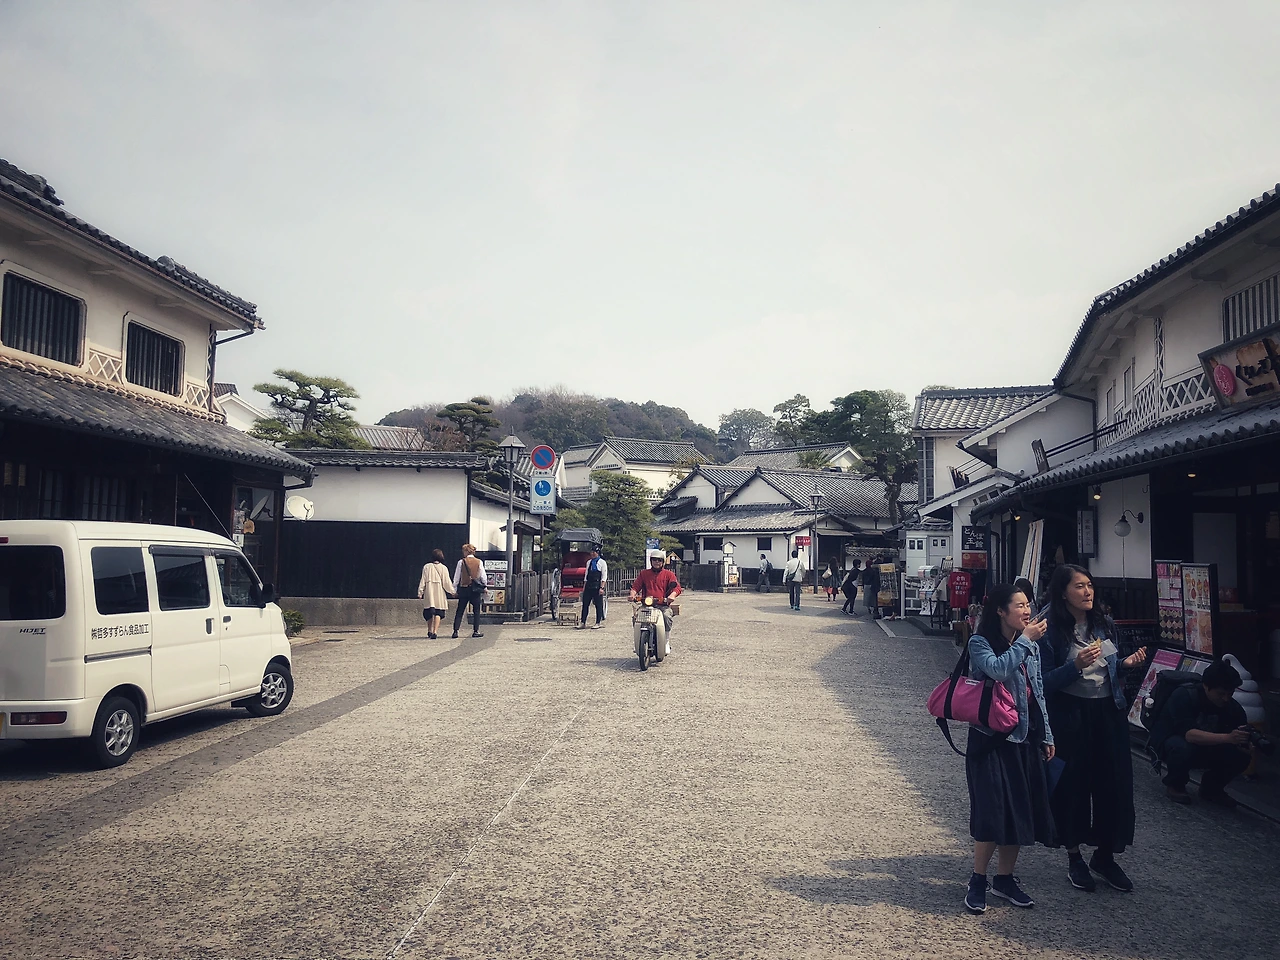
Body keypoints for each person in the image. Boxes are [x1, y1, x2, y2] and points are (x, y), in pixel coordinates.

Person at [1038, 563, 1148, 893]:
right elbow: (1042, 682)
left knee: (1113, 783)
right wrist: (1075, 665)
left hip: (1107, 712)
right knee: (1072, 785)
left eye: (1089, 585)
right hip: (1070, 714)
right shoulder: (1048, 628)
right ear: (1062, 592)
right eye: (1079, 586)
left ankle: (1105, 856)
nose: (1087, 592)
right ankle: (1074, 857)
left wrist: (1126, 664)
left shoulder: (1104, 623)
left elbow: (1110, 667)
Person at [963, 584, 1055, 914]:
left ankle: (1004, 878)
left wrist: (1047, 734)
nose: (1027, 611)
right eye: (1019, 605)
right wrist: (1026, 640)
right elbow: (998, 670)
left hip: (1024, 737)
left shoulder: (1031, 645)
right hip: (989, 739)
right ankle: (977, 879)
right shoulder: (979, 642)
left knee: (1019, 810)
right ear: (1001, 611)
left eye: (1028, 605)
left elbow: (1037, 691)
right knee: (991, 811)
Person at [1151, 660, 1251, 807]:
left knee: (1242, 756)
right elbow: (1189, 735)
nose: (1225, 698)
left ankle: (1211, 788)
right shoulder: (1184, 695)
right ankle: (1176, 784)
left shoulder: (1232, 707)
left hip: (1209, 746)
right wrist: (1229, 738)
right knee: (1182, 747)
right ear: (1206, 686)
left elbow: (1238, 733)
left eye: (1230, 694)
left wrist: (1245, 741)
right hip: (1174, 744)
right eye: (1221, 694)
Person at [629, 551, 682, 651]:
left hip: (662, 605)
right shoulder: (644, 574)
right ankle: (638, 641)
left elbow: (677, 588)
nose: (656, 562)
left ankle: (666, 641)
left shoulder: (669, 574)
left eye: (659, 560)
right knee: (636, 617)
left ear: (663, 562)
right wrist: (632, 594)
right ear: (651, 561)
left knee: (667, 616)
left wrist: (672, 595)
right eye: (654, 559)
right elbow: (636, 586)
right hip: (646, 604)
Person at [416, 548, 455, 640]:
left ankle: (429, 630)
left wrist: (420, 592)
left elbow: (423, 580)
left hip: (429, 592)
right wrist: (452, 592)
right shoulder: (443, 568)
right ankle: (435, 631)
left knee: (429, 611)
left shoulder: (427, 567)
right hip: (439, 592)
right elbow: (446, 582)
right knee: (438, 612)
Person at [451, 544, 487, 639]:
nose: (463, 553)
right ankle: (476, 631)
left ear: (466, 551)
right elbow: (483, 576)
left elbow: (456, 577)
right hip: (475, 589)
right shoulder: (479, 562)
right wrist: (484, 586)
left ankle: (455, 631)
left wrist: (454, 589)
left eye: (464, 551)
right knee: (476, 611)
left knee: (460, 610)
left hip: (464, 588)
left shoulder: (461, 562)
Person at [578, 547, 607, 630]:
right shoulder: (589, 562)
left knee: (598, 605)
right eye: (592, 552)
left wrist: (602, 587)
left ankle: (598, 622)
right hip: (589, 584)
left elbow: (604, 576)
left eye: (594, 552)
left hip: (597, 585)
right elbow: (586, 575)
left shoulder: (602, 562)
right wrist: (584, 587)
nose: (592, 553)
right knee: (585, 604)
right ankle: (583, 622)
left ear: (598, 553)